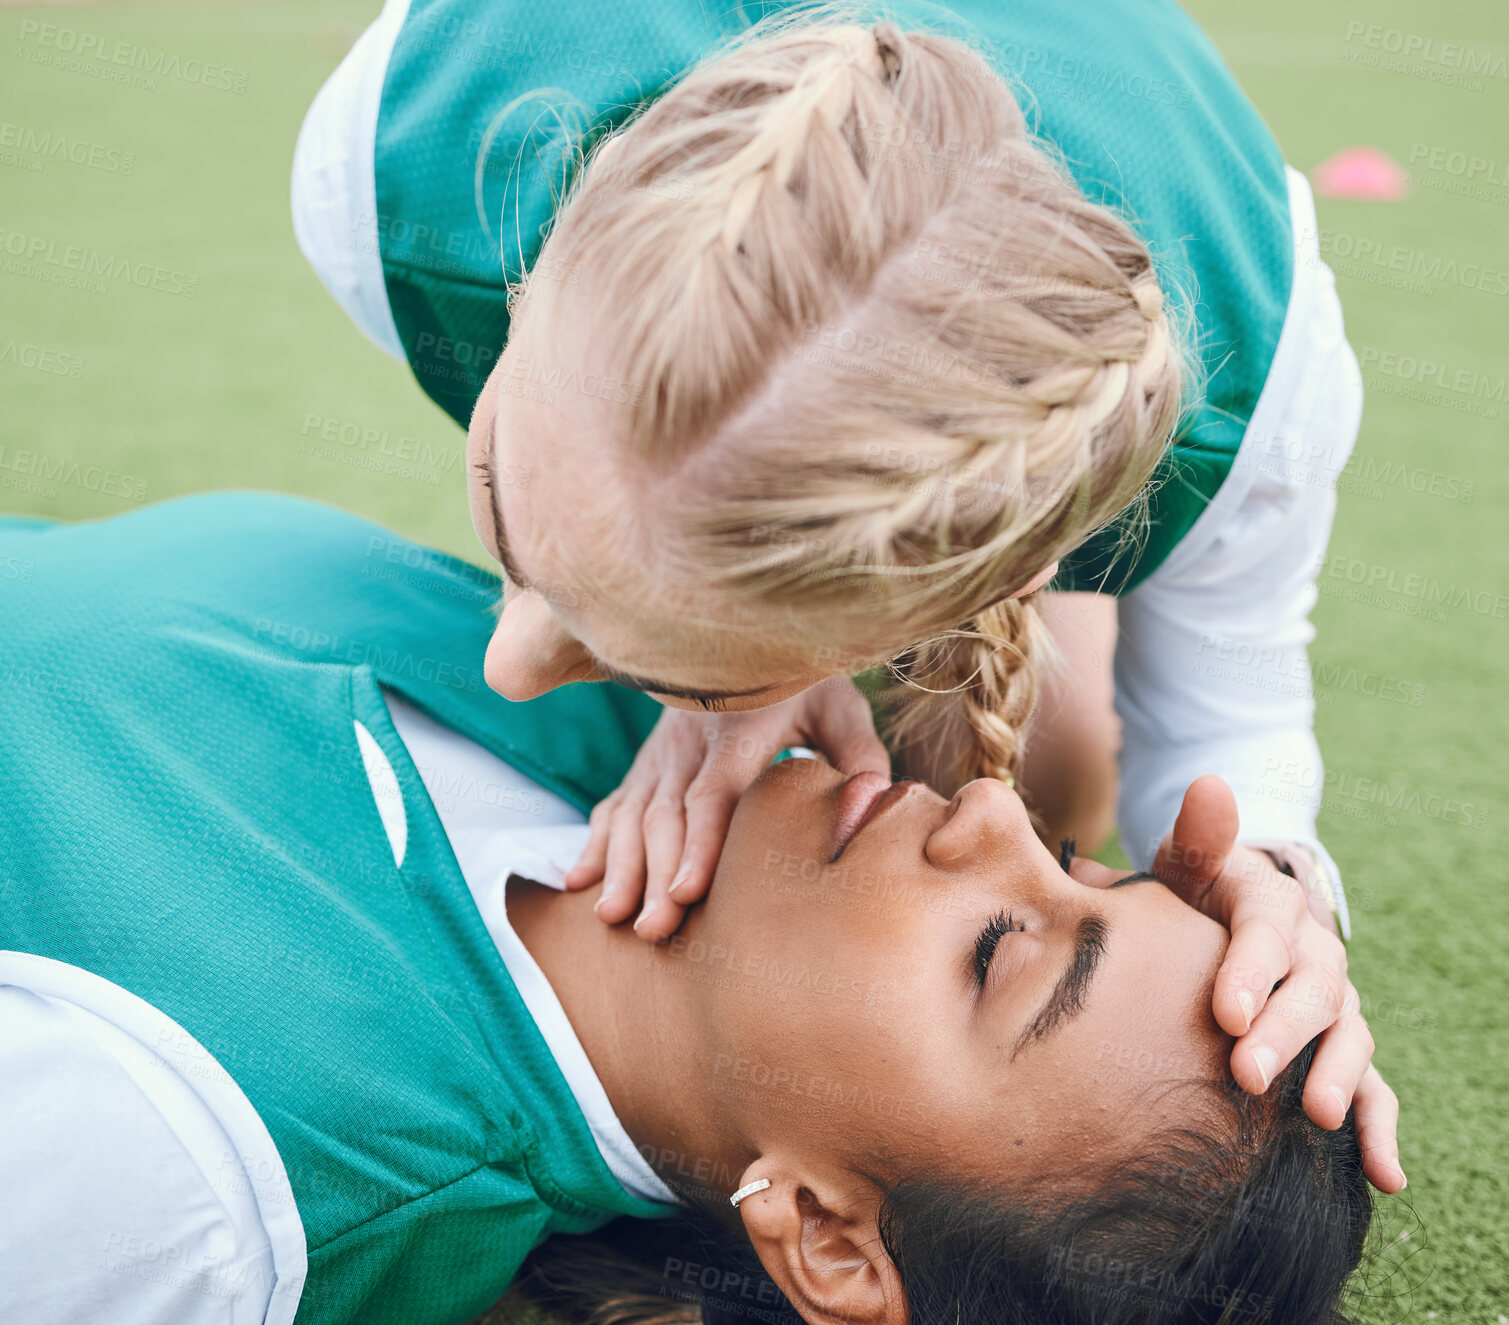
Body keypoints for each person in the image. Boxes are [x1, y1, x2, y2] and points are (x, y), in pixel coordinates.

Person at [293, 3, 1383, 1144]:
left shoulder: (1262, 415)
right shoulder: (383, 159)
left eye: (685, 671)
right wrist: (728, 661)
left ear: (998, 578)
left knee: (1055, 760)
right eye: (500, 492)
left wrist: (1272, 874)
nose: (505, 665)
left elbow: (1236, 719)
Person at [0, 494, 1389, 1324]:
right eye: (1081, 866)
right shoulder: (718, 688)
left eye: (997, 949)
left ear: (830, 1240)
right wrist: (1276, 877)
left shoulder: (204, 1174)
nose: (990, 821)